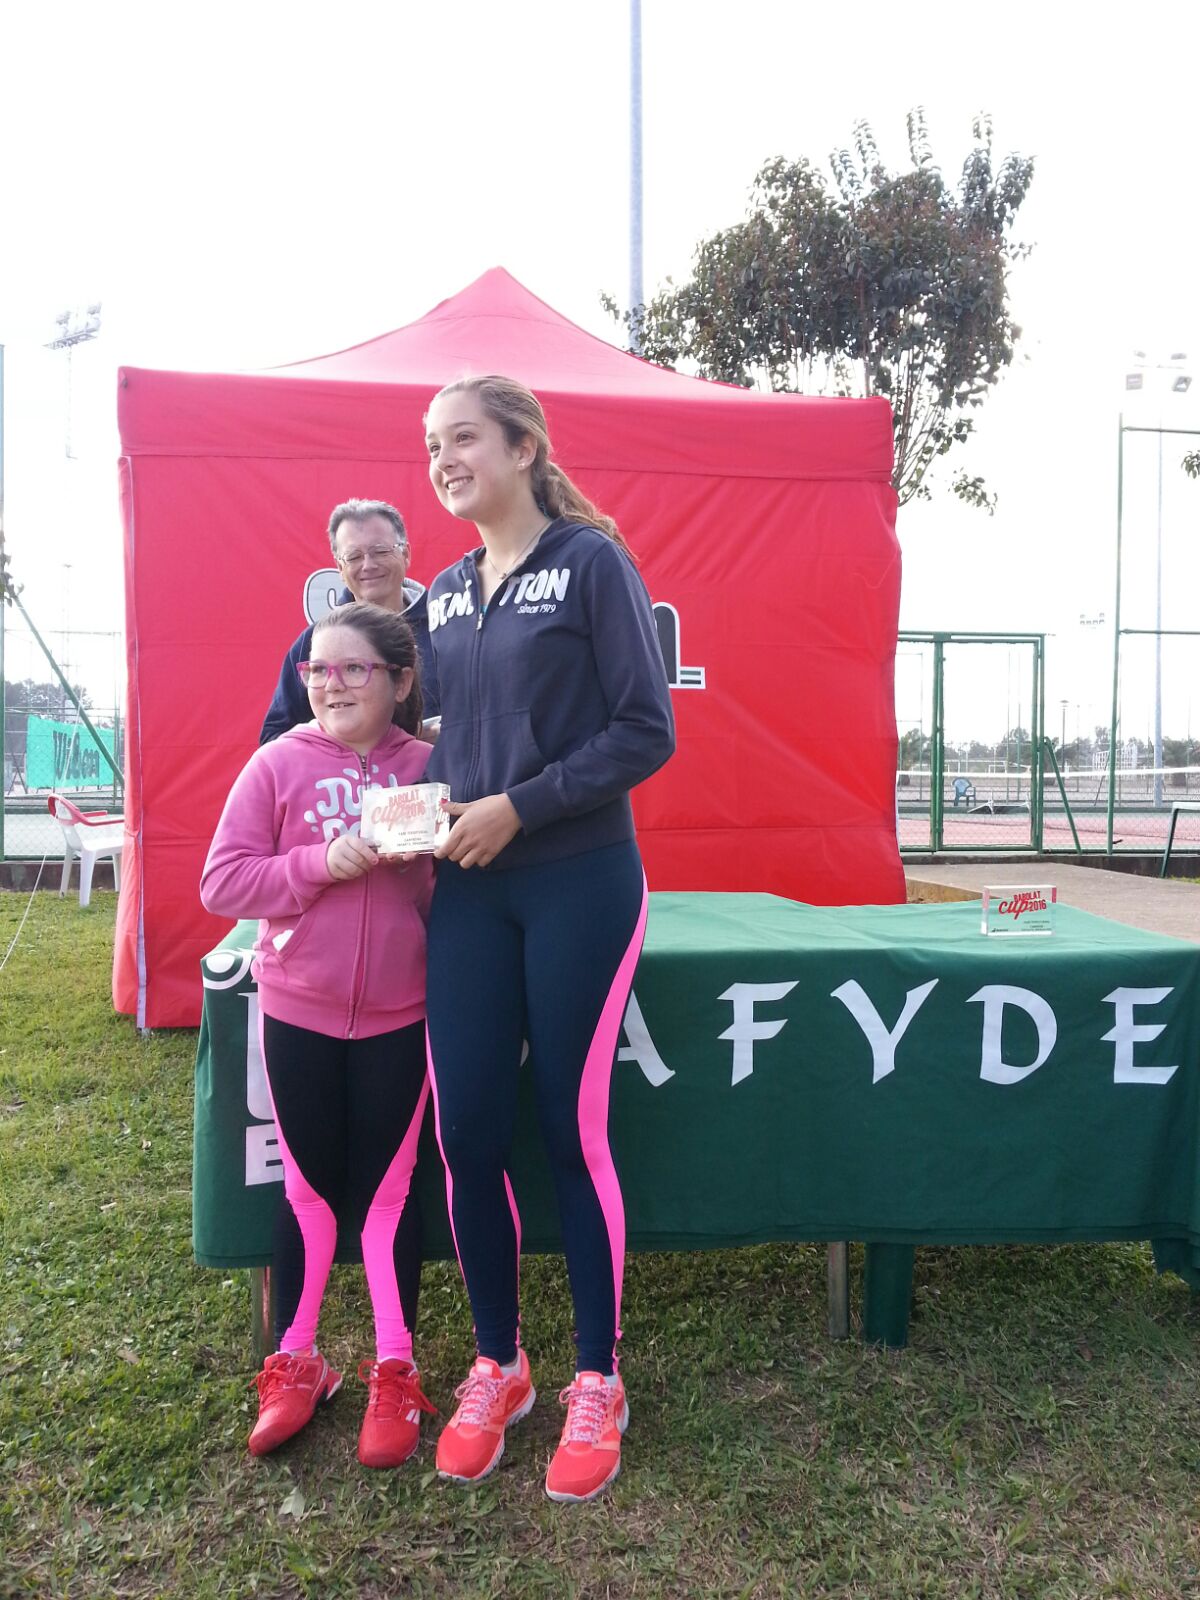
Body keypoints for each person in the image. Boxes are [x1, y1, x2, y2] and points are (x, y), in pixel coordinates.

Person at [419, 374, 675, 1503]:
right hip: (469, 890)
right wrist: (425, 804)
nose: (443, 459)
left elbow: (646, 729)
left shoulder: (590, 563)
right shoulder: (442, 594)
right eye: (432, 444)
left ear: (524, 447)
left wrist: (520, 807)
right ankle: (500, 1364)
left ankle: (597, 1378)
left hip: (579, 881)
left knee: (574, 1132)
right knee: (467, 1130)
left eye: (463, 437)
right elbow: (444, 740)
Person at [201, 602, 437, 1466]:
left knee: (388, 1197)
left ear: (399, 680)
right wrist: (316, 865)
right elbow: (223, 882)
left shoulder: (431, 771)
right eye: (317, 670)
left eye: (352, 669)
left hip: (402, 1016)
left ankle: (395, 1370)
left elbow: (463, 898)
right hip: (298, 1009)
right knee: (306, 1193)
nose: (331, 685)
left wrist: (429, 866)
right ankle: (296, 1360)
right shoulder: (277, 763)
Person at [259, 499, 439, 744]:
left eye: (380, 551)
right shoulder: (314, 643)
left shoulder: (446, 626)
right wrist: (343, 747)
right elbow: (275, 738)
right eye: (354, 557)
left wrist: (446, 737)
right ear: (339, 567)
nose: (368, 565)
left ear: (405, 553)